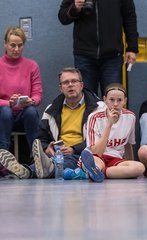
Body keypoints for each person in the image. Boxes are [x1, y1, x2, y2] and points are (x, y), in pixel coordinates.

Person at [0, 67, 105, 179]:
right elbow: (41, 137)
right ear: (61, 88)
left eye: (74, 81)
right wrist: (47, 148)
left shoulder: (99, 108)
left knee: (68, 161)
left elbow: (101, 138)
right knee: (56, 160)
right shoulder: (51, 109)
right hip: (58, 154)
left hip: (84, 154)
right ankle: (30, 169)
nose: (70, 85)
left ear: (81, 85)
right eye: (65, 82)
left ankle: (29, 170)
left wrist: (74, 149)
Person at [58, 0, 139, 96]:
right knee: (88, 100)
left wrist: (132, 48)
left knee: (113, 98)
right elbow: (63, 18)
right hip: (84, 55)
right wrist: (75, 8)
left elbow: (129, 17)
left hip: (112, 56)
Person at [79, 83, 145, 182]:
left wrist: (130, 166)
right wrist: (109, 124)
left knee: (139, 167)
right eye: (111, 100)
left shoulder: (130, 117)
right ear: (105, 99)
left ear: (125, 101)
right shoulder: (94, 117)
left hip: (115, 160)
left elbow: (128, 145)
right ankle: (95, 169)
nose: (115, 104)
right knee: (95, 163)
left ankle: (98, 173)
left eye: (119, 100)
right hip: (96, 157)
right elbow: (96, 152)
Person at [0, 26, 42, 158]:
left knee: (31, 111)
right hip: (3, 114)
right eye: (12, 45)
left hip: (23, 114)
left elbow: (37, 94)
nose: (16, 49)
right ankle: (3, 156)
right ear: (5, 44)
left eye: (20, 45)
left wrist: (32, 101)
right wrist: (8, 103)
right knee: (6, 111)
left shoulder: (32, 65)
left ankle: (35, 157)